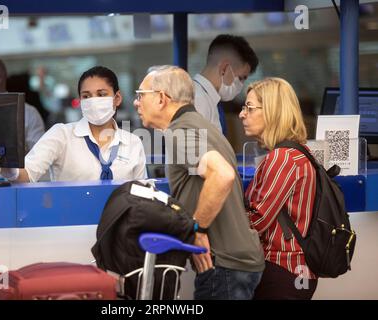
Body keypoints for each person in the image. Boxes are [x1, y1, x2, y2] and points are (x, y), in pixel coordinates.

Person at [133, 65, 264, 300]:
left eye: (141, 95)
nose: (136, 102)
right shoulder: (203, 128)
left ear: (162, 98)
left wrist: (198, 228)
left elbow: (222, 174)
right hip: (237, 263)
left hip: (225, 266)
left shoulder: (180, 132)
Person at [239, 77, 318, 299]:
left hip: (283, 269)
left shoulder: (282, 158)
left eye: (249, 108)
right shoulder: (297, 151)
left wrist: (222, 222)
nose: (242, 114)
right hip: (294, 270)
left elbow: (257, 220)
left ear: (272, 111)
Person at [1, 66, 147, 183]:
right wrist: (8, 168)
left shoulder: (132, 143)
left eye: (101, 94)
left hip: (120, 220)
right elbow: (28, 173)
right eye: (86, 96)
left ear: (117, 98)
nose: (93, 101)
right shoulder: (61, 134)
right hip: (71, 219)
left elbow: (142, 193)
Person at [193, 34, 258, 133]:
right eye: (241, 78)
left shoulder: (209, 99)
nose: (241, 85)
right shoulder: (197, 100)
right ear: (224, 68)